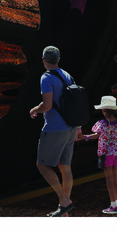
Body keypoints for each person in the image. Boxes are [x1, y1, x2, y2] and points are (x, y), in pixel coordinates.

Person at [29, 46, 83, 217]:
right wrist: (78, 127)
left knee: (42, 165)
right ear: (58, 59)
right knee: (65, 167)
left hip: (55, 129)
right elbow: (77, 103)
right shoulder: (68, 76)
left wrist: (34, 110)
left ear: (43, 60)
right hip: (71, 127)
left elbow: (47, 105)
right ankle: (64, 208)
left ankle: (64, 200)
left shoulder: (46, 78)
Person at [79, 96, 117, 214]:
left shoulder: (101, 123)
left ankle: (113, 206)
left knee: (109, 180)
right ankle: (115, 203)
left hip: (106, 154)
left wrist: (83, 137)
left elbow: (95, 135)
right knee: (114, 179)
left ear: (104, 110)